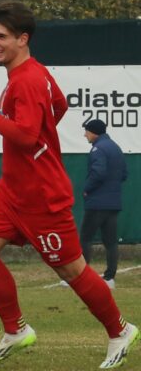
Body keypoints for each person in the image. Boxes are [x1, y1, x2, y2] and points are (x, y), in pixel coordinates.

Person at [0, 0, 138, 369]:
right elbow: (58, 106)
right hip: (11, 190)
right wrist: (38, 135)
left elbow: (27, 137)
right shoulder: (34, 73)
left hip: (41, 197)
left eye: (1, 37)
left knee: (72, 271)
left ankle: (119, 330)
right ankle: (16, 331)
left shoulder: (28, 80)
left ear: (22, 39)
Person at [81, 119, 127, 290]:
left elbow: (98, 173)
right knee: (111, 242)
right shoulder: (115, 147)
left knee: (85, 238)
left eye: (87, 131)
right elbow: (124, 174)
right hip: (113, 203)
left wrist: (87, 188)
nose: (85, 134)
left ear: (94, 132)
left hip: (97, 203)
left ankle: (81, 276)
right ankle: (110, 278)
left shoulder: (98, 149)